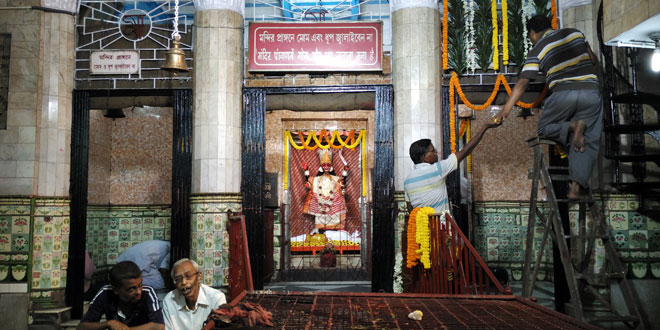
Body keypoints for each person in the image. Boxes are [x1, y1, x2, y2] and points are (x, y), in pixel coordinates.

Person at [495, 14, 603, 200]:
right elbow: (593, 59)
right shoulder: (575, 33)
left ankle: (573, 126)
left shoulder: (537, 48)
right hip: (591, 91)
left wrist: (505, 110)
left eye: (530, 36)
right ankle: (576, 185)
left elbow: (522, 83)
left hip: (562, 93)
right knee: (589, 140)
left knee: (544, 128)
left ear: (533, 33)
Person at [405, 122, 499, 211]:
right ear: (426, 157)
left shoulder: (407, 181)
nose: (436, 152)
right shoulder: (437, 170)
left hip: (421, 227)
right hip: (439, 227)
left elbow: (410, 209)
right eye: (433, 151)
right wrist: (485, 127)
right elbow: (466, 151)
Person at [77, 261, 164, 330]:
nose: (139, 292)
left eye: (140, 285)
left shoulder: (147, 292)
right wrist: (109, 323)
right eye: (131, 289)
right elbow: (82, 327)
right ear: (115, 290)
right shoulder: (105, 293)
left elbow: (158, 326)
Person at [162, 258, 227, 330]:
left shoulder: (216, 298)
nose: (183, 282)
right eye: (178, 279)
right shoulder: (169, 300)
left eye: (188, 276)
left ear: (199, 277)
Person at [302, 148, 349, 230]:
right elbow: (310, 182)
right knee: (320, 219)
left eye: (328, 165)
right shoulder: (317, 179)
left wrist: (345, 172)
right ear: (321, 166)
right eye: (324, 165)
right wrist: (306, 170)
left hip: (333, 203)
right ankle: (321, 232)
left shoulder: (335, 178)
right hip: (320, 203)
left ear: (331, 166)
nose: (326, 167)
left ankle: (335, 232)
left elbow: (342, 183)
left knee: (336, 217)